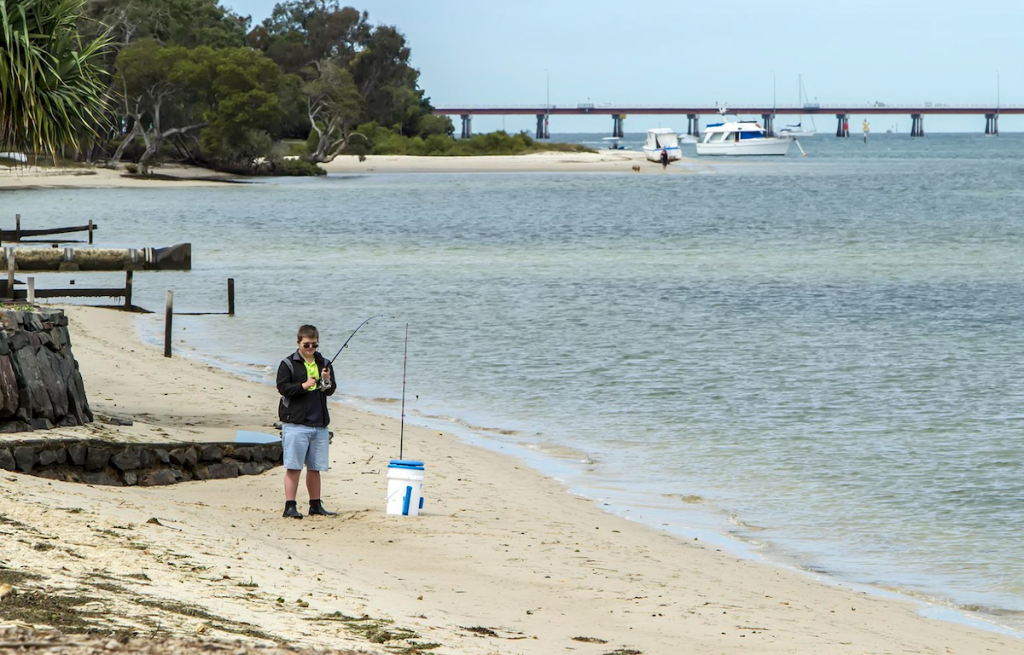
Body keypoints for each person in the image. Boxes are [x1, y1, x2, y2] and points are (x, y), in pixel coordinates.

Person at [277, 324, 337, 519]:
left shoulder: (325, 363)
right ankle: (290, 506)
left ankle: (315, 505)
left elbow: (330, 390)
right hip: (295, 424)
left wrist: (326, 380)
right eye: (307, 345)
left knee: (315, 468)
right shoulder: (288, 364)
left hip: (318, 424)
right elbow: (283, 388)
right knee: (293, 466)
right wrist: (303, 385)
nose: (310, 348)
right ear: (298, 343)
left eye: (314, 345)